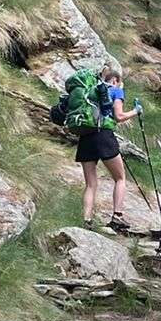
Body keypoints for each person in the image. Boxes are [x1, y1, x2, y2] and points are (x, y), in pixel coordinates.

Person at [63, 61, 138, 229]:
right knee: (120, 178)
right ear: (115, 80)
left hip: (85, 135)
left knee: (91, 183)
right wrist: (135, 111)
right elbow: (118, 116)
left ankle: (87, 220)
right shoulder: (115, 90)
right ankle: (117, 216)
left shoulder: (90, 92)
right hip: (103, 136)